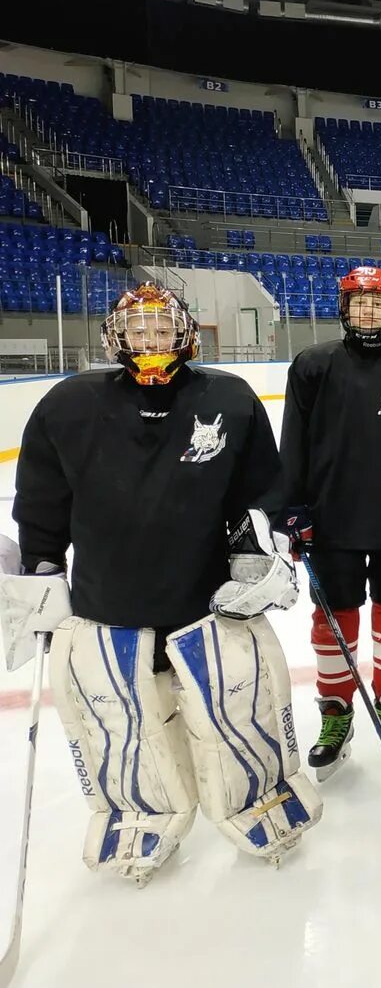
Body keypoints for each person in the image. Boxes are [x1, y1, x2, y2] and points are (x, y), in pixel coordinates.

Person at [11, 282, 320, 884]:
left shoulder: (226, 399)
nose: (150, 341)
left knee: (237, 712)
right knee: (124, 726)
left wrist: (254, 559)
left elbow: (259, 495)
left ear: (184, 332)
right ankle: (141, 816)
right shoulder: (69, 404)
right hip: (110, 605)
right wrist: (42, 568)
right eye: (138, 330)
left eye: (161, 328)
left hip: (207, 604)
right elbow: (42, 500)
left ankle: (255, 799)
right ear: (116, 337)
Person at [278, 265, 381, 779]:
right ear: (344, 307)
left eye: (378, 303)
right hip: (331, 523)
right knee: (334, 624)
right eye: (359, 302)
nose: (368, 311)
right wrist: (293, 509)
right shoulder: (312, 365)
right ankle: (336, 711)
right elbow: (295, 444)